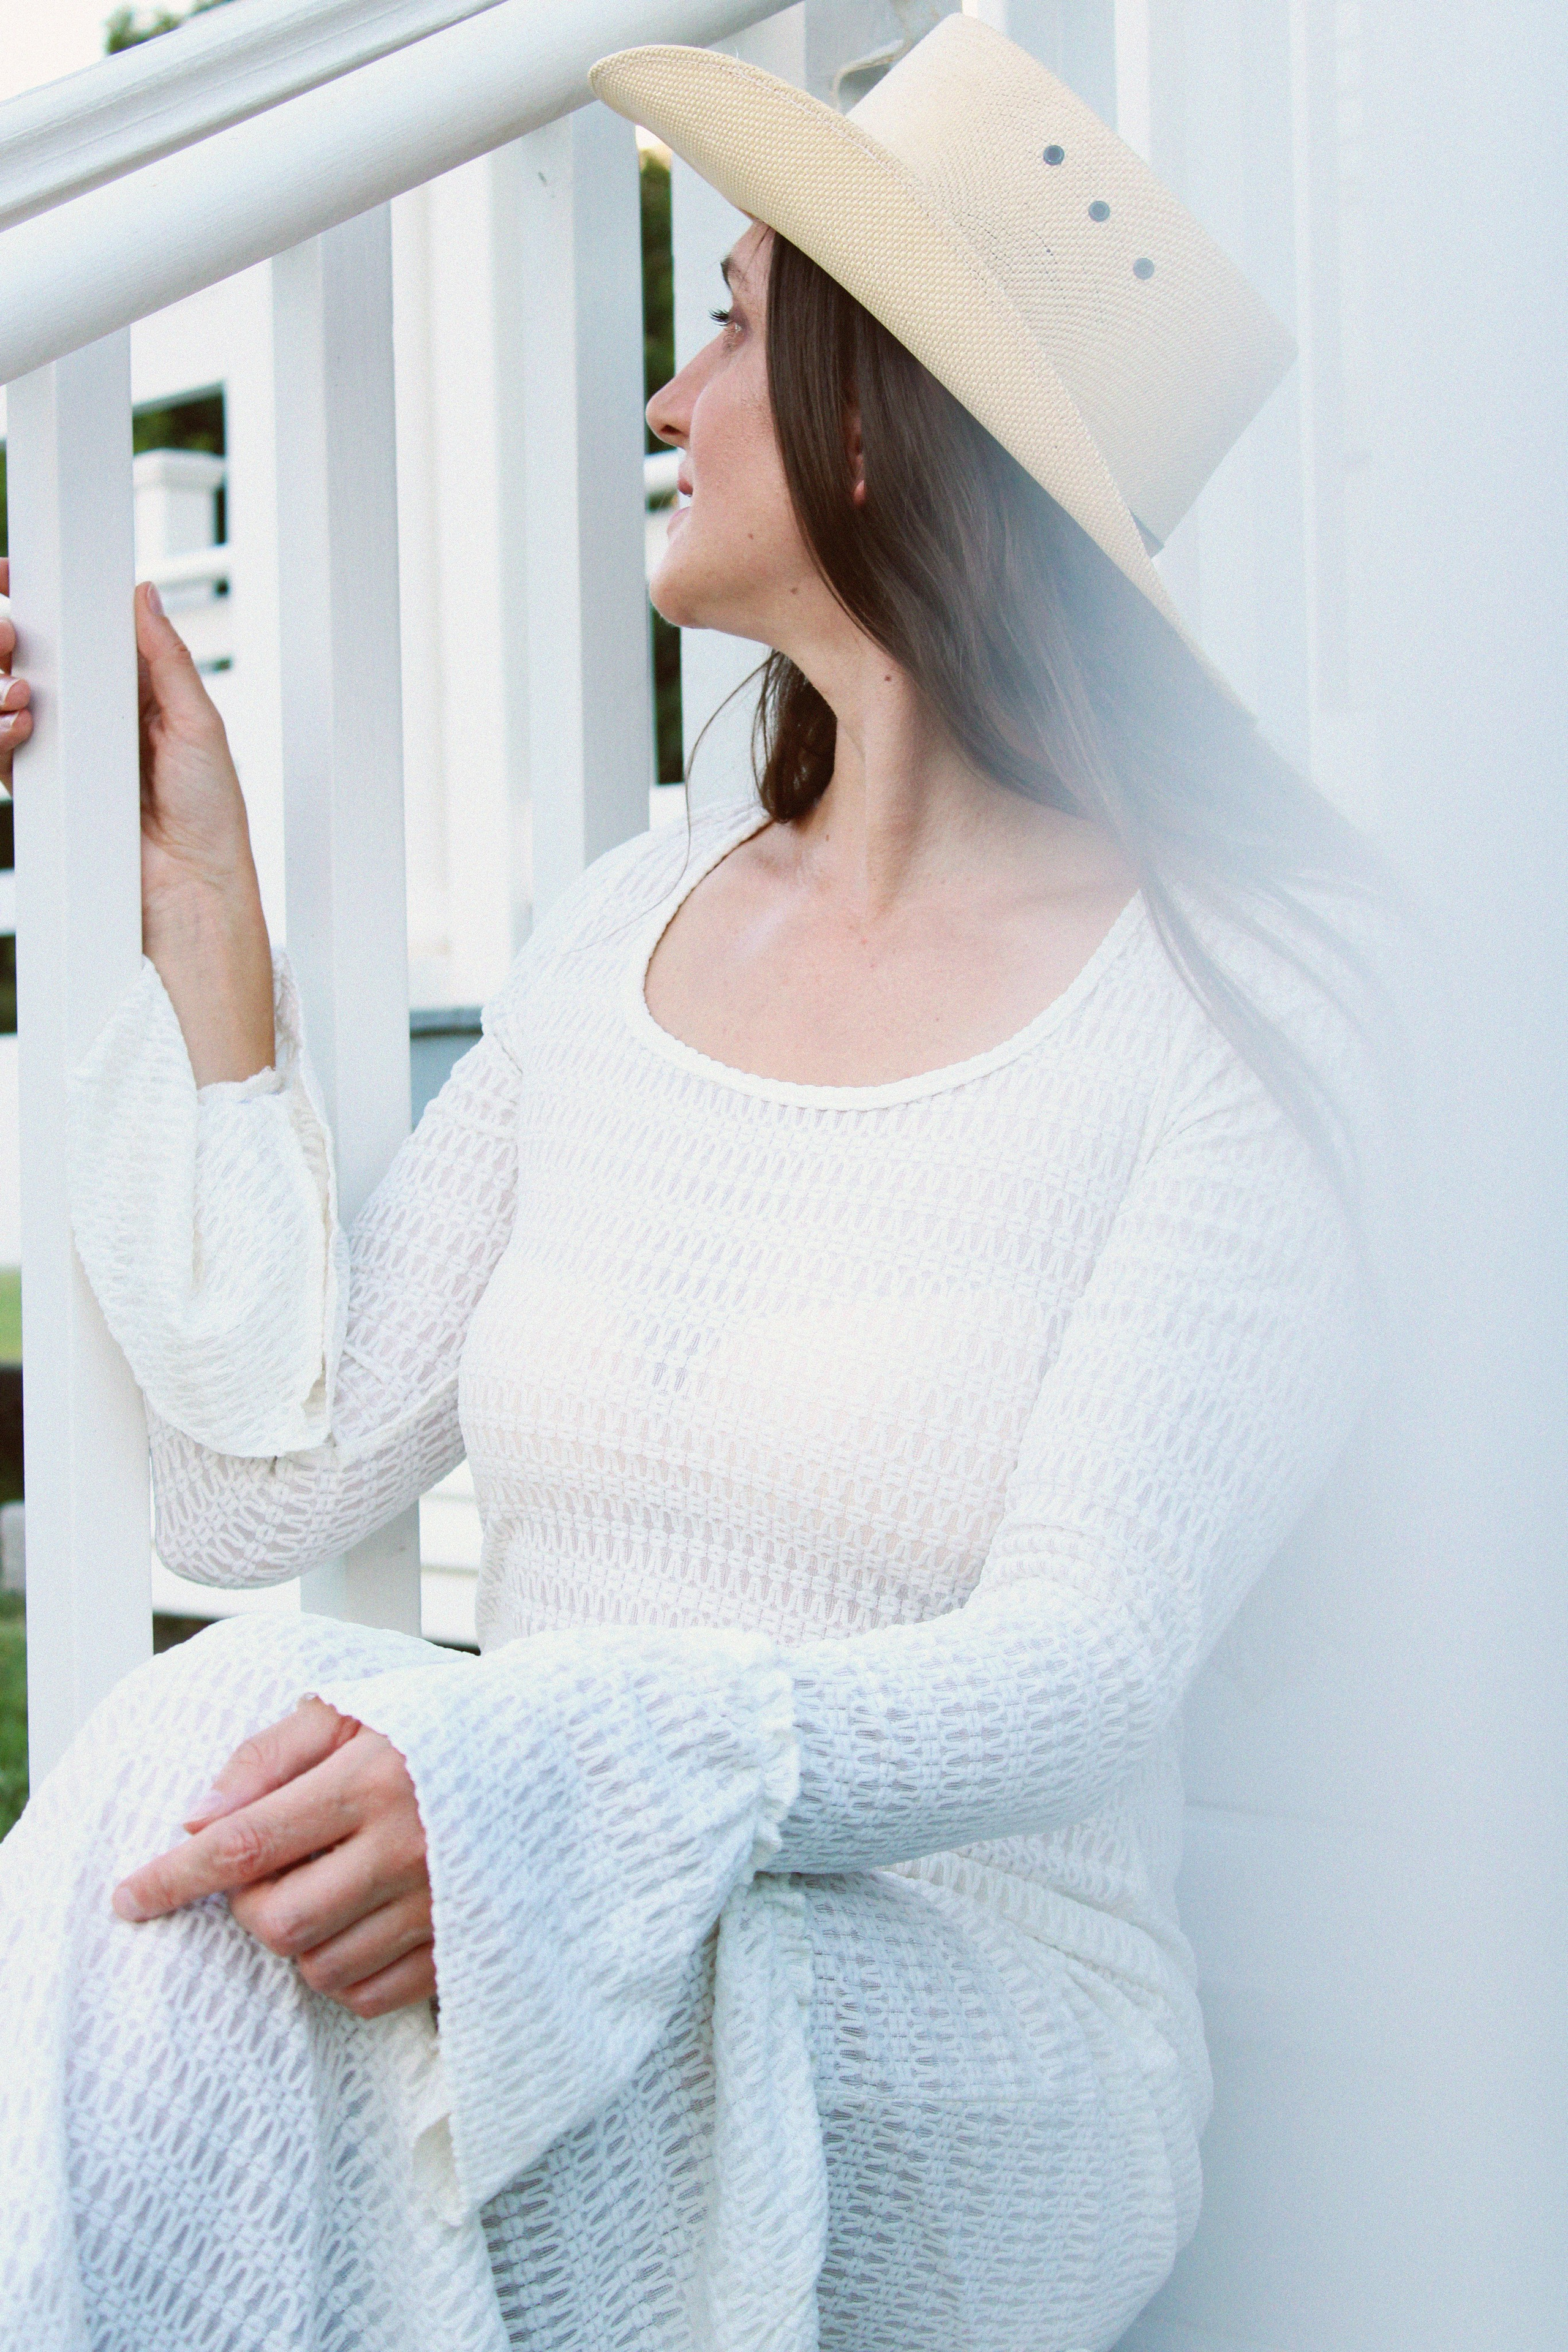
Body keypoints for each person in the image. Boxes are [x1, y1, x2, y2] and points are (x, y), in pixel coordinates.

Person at [0, 19, 1385, 2351]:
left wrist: (576, 1775)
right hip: (526, 1914)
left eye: (730, 326)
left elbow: (1088, 1663)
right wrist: (175, 907)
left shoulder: (1247, 1016)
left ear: (876, 415)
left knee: (215, 1839)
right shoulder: (619, 927)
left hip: (965, 2012)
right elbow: (261, 1494)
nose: (666, 400)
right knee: (197, 1790)